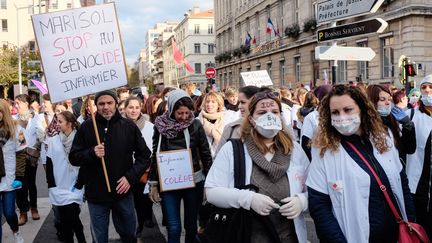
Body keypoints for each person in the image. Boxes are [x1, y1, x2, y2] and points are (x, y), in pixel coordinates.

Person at [307, 85, 415, 243]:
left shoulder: (383, 139)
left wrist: (411, 221)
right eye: (335, 112)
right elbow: (319, 205)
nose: (342, 117)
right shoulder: (323, 151)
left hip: (395, 233)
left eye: (348, 109)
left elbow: (402, 184)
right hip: (356, 236)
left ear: (362, 109)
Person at [205, 91, 310, 243]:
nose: (270, 116)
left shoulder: (295, 151)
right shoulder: (233, 150)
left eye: (274, 112)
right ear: (251, 119)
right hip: (247, 236)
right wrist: (248, 199)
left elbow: (314, 190)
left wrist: (302, 201)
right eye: (262, 112)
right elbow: (212, 192)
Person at [69, 89, 151, 242]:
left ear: (116, 103)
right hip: (96, 195)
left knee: (129, 235)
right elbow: (74, 157)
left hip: (123, 193)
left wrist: (130, 178)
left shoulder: (128, 126)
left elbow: (145, 156)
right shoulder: (86, 127)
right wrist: (91, 153)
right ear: (96, 106)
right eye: (101, 104)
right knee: (99, 238)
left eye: (109, 103)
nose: (105, 107)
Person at [149, 89, 212, 243]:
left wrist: (210, 182)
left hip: (194, 182)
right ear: (171, 110)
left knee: (191, 225)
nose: (184, 117)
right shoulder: (160, 126)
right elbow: (155, 154)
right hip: (169, 184)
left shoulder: (196, 125)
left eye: (187, 113)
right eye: (180, 113)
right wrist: (154, 183)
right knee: (174, 226)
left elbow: (205, 154)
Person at [46, 111, 86, 243]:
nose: (57, 124)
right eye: (57, 121)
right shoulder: (53, 140)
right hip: (59, 185)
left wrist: (79, 183)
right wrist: (51, 185)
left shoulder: (80, 139)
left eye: (60, 121)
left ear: (69, 123)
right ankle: (80, 239)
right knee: (67, 219)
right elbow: (50, 163)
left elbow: (85, 162)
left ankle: (77, 239)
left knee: (70, 217)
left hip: (75, 185)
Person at [124, 96, 155, 234]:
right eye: (131, 107)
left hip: (144, 168)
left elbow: (153, 148)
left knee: (144, 197)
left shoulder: (150, 127)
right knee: (134, 199)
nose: (134, 110)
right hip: (126, 169)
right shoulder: (119, 126)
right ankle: (138, 223)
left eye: (137, 107)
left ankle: (146, 217)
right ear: (125, 109)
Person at [405, 74, 432, 239]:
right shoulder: (411, 115)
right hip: (418, 184)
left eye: (431, 87)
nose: (427, 91)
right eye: (424, 87)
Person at [367, 85, 416, 165]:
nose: (387, 103)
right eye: (382, 100)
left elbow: (408, 149)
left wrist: (408, 125)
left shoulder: (391, 122)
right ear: (371, 102)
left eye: (389, 99)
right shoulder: (365, 126)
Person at [14, 94, 40, 225]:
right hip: (18, 156)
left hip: (31, 156)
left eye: (18, 103)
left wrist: (37, 148)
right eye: (15, 103)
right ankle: (23, 212)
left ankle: (34, 208)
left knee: (31, 184)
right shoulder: (13, 119)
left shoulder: (36, 118)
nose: (16, 105)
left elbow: (41, 135)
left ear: (26, 104)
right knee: (20, 185)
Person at [0, 99, 24, 243]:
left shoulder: (17, 128)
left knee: (9, 212)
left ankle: (15, 231)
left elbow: (21, 154)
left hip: (9, 178)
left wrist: (19, 177)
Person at [216, 85, 260, 154]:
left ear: (254, 102)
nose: (239, 106)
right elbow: (219, 157)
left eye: (243, 102)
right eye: (232, 96)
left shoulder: (272, 129)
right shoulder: (230, 128)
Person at [300, 85, 332, 161]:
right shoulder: (312, 117)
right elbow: (305, 143)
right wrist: (312, 161)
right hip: (319, 159)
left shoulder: (336, 114)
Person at [198, 91, 225, 158]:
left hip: (222, 158)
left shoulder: (226, 119)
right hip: (204, 160)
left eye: (213, 102)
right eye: (207, 101)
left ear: (219, 104)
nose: (209, 104)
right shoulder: (198, 120)